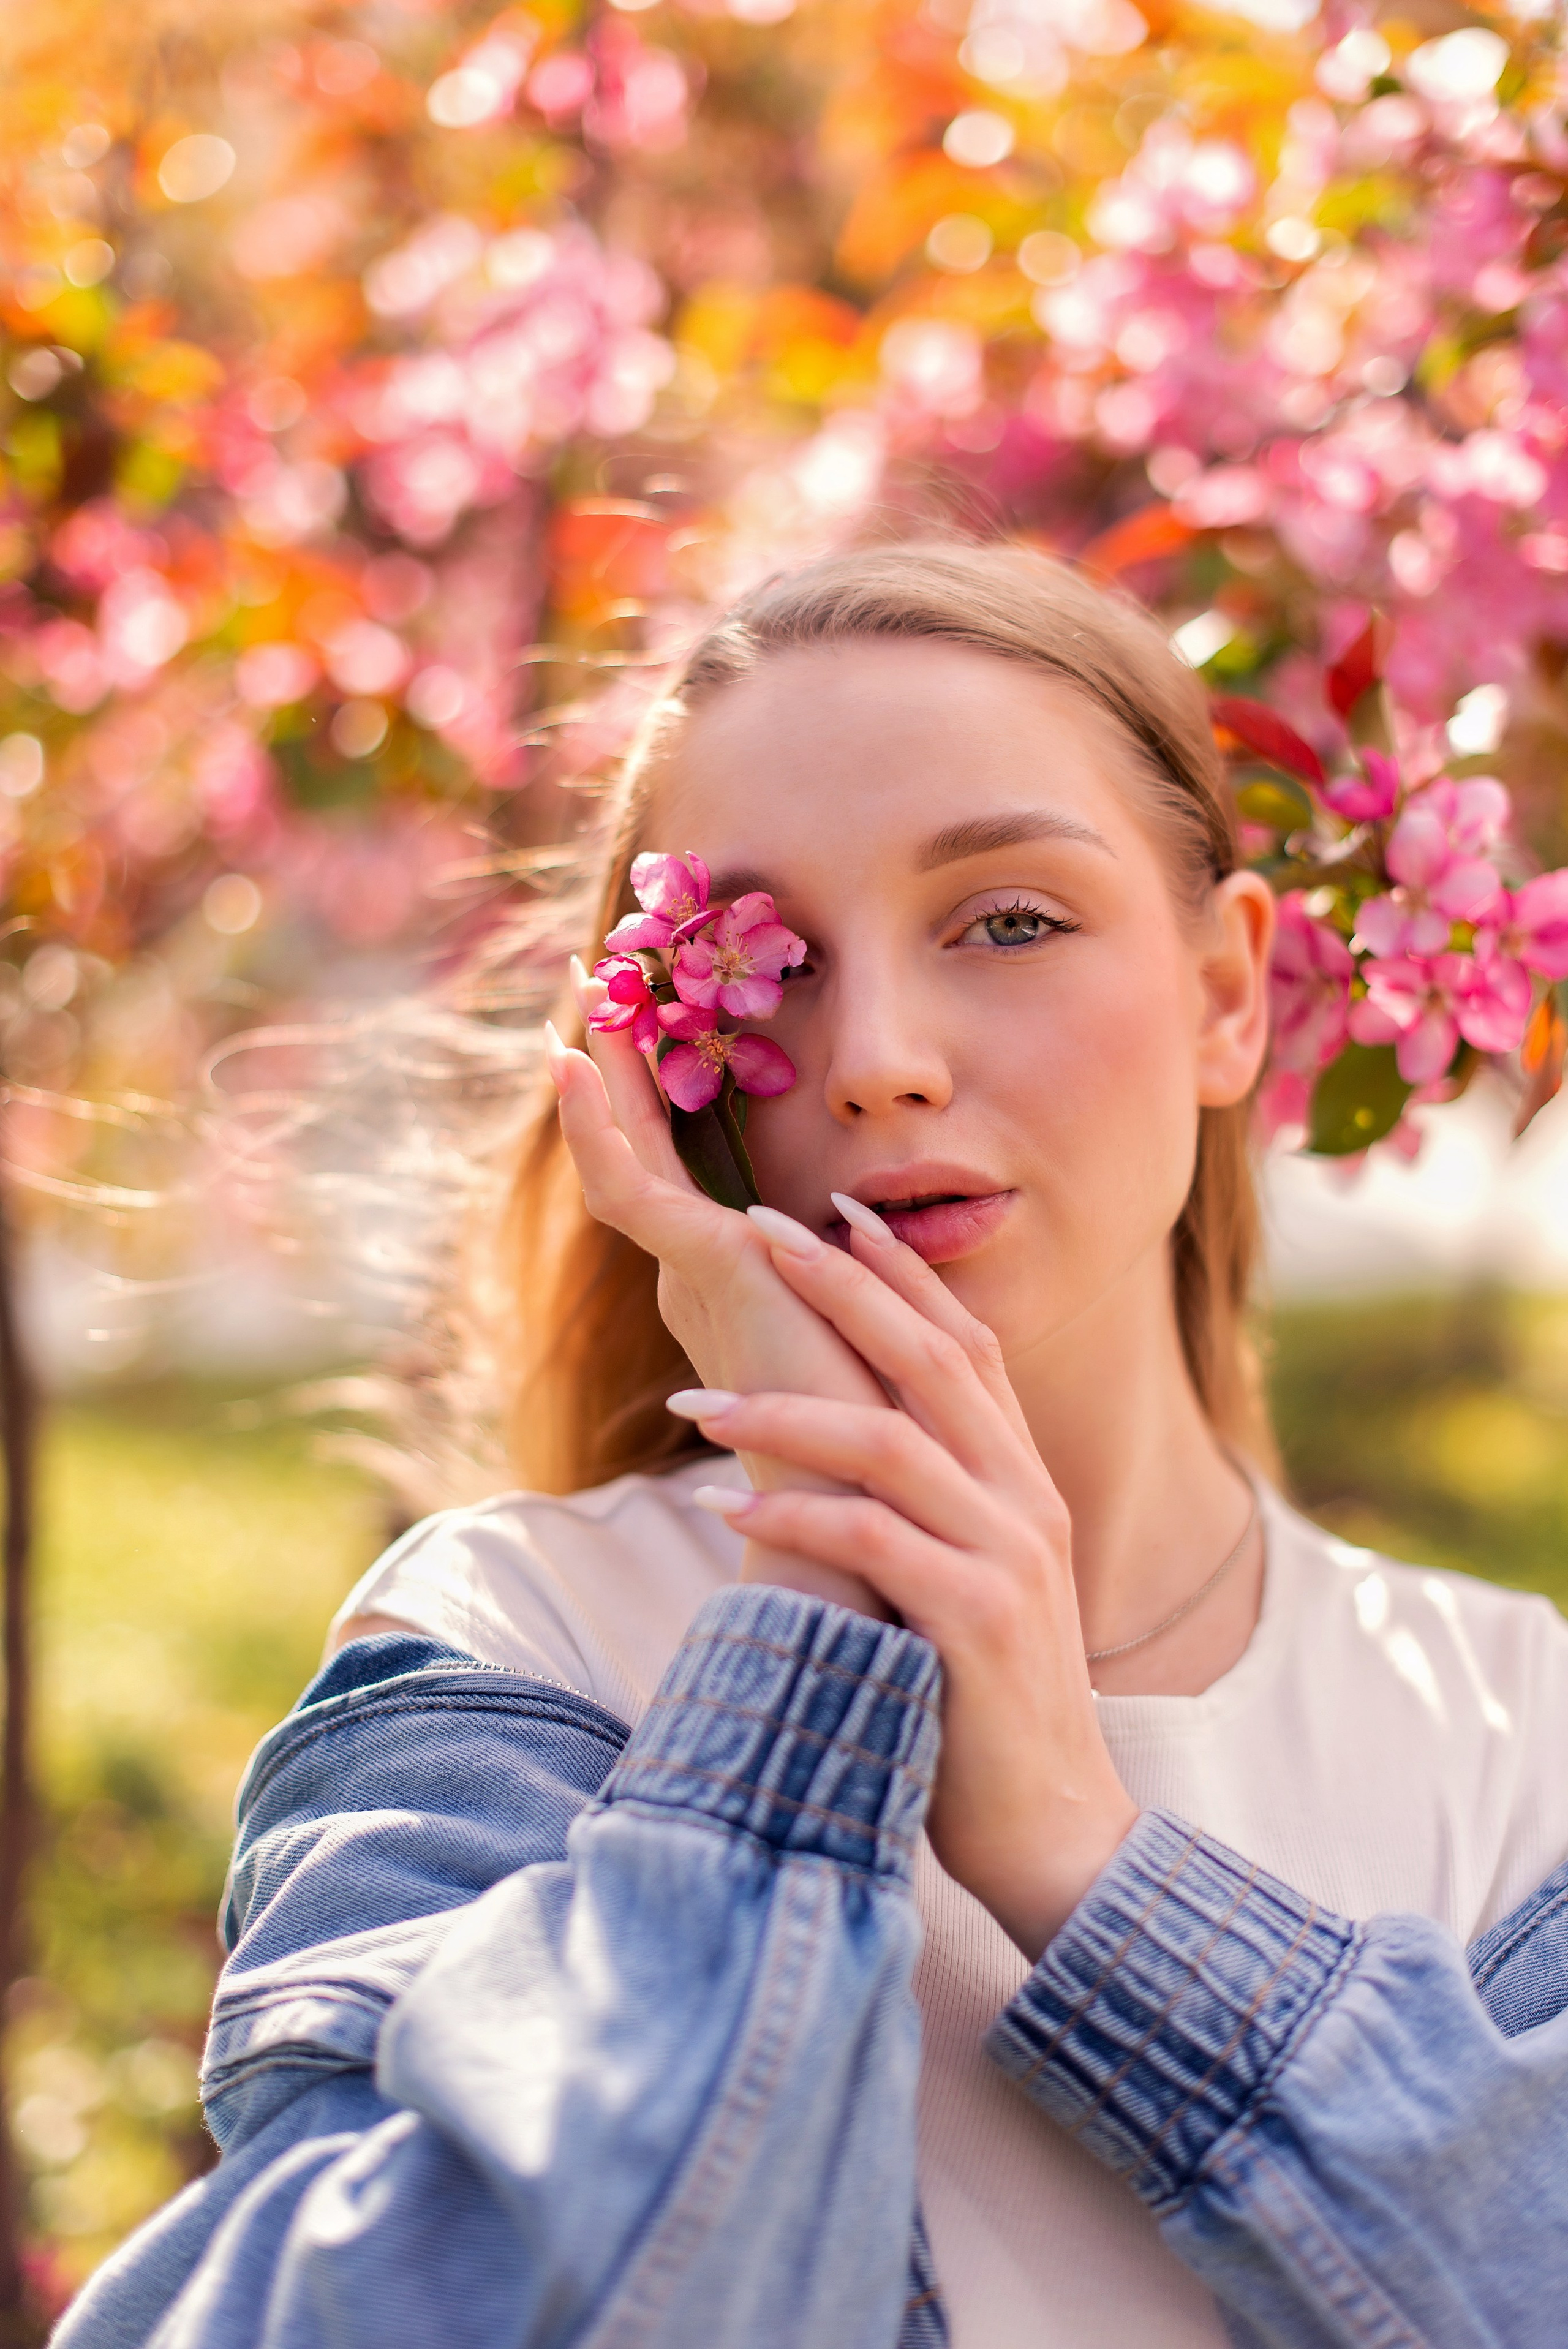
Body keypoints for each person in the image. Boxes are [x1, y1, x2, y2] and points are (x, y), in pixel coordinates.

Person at [55, 543, 1568, 2348]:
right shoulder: (524, 1645)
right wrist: (809, 1668)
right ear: (661, 1070)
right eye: (763, 968)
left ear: (1232, 991)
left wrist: (1090, 1868)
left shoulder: (1508, 1735)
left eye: (1010, 918)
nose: (876, 1059)